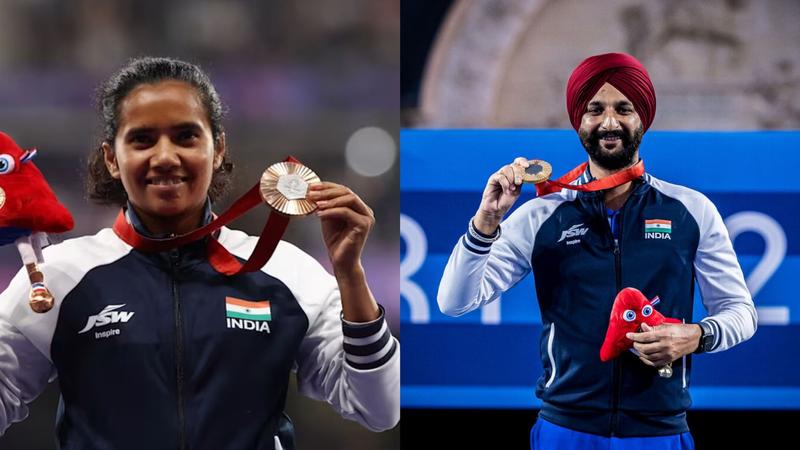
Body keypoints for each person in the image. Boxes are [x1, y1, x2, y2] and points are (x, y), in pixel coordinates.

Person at [0, 57, 399, 450]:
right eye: (142, 139)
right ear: (112, 159)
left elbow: (379, 408)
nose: (165, 156)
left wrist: (350, 275)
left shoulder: (287, 272)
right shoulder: (56, 277)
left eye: (186, 136)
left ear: (218, 147)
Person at [437, 52, 756, 450]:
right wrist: (486, 220)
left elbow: (742, 313)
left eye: (624, 109)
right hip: (565, 431)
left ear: (643, 119)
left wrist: (697, 335)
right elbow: (454, 301)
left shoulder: (691, 209)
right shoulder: (541, 215)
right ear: (579, 121)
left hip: (659, 432)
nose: (609, 122)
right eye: (594, 109)